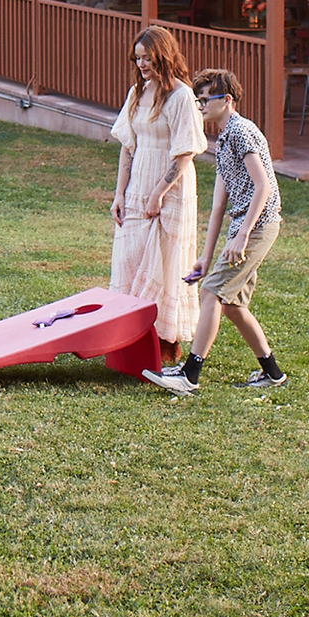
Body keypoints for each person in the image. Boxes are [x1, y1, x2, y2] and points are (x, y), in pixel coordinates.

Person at [143, 68, 288, 396]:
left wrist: (243, 235)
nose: (200, 105)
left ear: (227, 100)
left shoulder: (240, 132)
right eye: (198, 100)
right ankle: (272, 373)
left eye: (206, 99)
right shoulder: (222, 140)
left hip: (258, 224)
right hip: (243, 225)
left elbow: (263, 185)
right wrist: (205, 257)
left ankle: (189, 376)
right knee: (233, 304)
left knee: (211, 293)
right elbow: (219, 203)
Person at [109, 26, 208, 372]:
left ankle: (165, 343)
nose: (141, 65)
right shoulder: (138, 93)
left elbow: (184, 155)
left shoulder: (181, 97)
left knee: (166, 262)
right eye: (137, 59)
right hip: (138, 181)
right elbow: (127, 145)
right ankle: (128, 337)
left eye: (147, 59)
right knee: (130, 255)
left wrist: (158, 193)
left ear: (163, 56)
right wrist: (120, 193)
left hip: (171, 188)